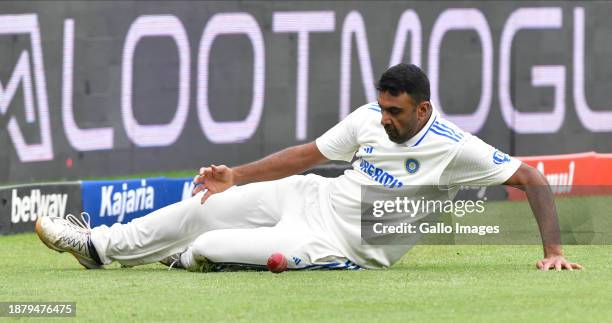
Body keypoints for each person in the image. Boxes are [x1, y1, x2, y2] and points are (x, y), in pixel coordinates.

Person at [35, 63, 582, 271]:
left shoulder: (456, 146)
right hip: (309, 198)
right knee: (207, 205)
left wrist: (554, 254)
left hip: (341, 247)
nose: (385, 119)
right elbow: (308, 156)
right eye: (383, 107)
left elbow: (531, 178)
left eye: (396, 111)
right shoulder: (369, 118)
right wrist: (237, 175)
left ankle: (184, 259)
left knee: (206, 247)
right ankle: (97, 247)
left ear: (423, 109)